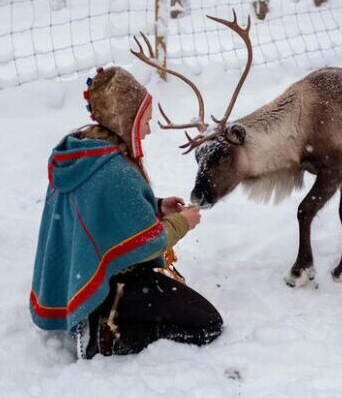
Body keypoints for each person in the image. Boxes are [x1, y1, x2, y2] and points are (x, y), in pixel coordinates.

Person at [29, 66, 223, 359]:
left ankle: (102, 315)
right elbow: (150, 242)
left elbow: (101, 212)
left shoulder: (81, 154)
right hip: (116, 284)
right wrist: (182, 222)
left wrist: (156, 207)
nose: (147, 129)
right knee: (208, 324)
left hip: (83, 277)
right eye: (144, 121)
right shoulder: (115, 171)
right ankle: (110, 334)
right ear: (127, 121)